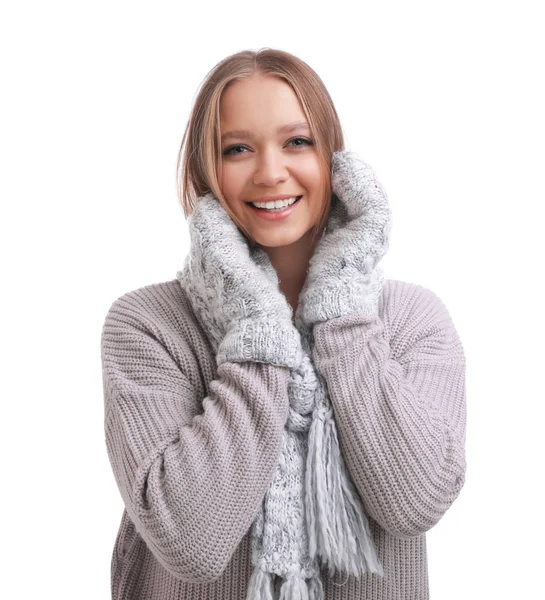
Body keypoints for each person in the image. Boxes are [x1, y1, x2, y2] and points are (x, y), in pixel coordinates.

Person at [101, 48, 467, 600]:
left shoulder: (413, 321)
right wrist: (258, 331)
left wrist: (342, 317)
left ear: (337, 167)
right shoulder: (146, 327)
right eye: (237, 149)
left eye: (298, 142)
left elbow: (415, 501)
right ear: (206, 171)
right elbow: (190, 544)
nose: (271, 172)